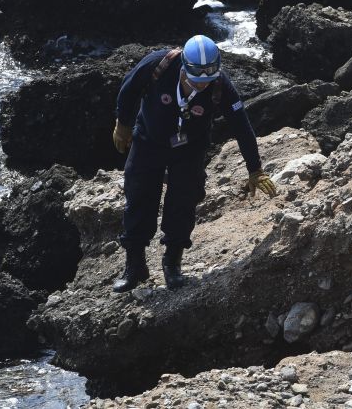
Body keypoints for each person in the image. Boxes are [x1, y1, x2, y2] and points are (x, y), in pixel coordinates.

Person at [110, 34, 277, 292]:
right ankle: (135, 265)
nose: (200, 87)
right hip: (148, 140)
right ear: (184, 68)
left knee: (184, 200)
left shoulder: (220, 85)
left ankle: (172, 263)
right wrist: (122, 124)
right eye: (195, 80)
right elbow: (128, 88)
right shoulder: (158, 65)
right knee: (139, 196)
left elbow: (242, 126)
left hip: (189, 148)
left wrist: (255, 169)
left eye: (206, 82)